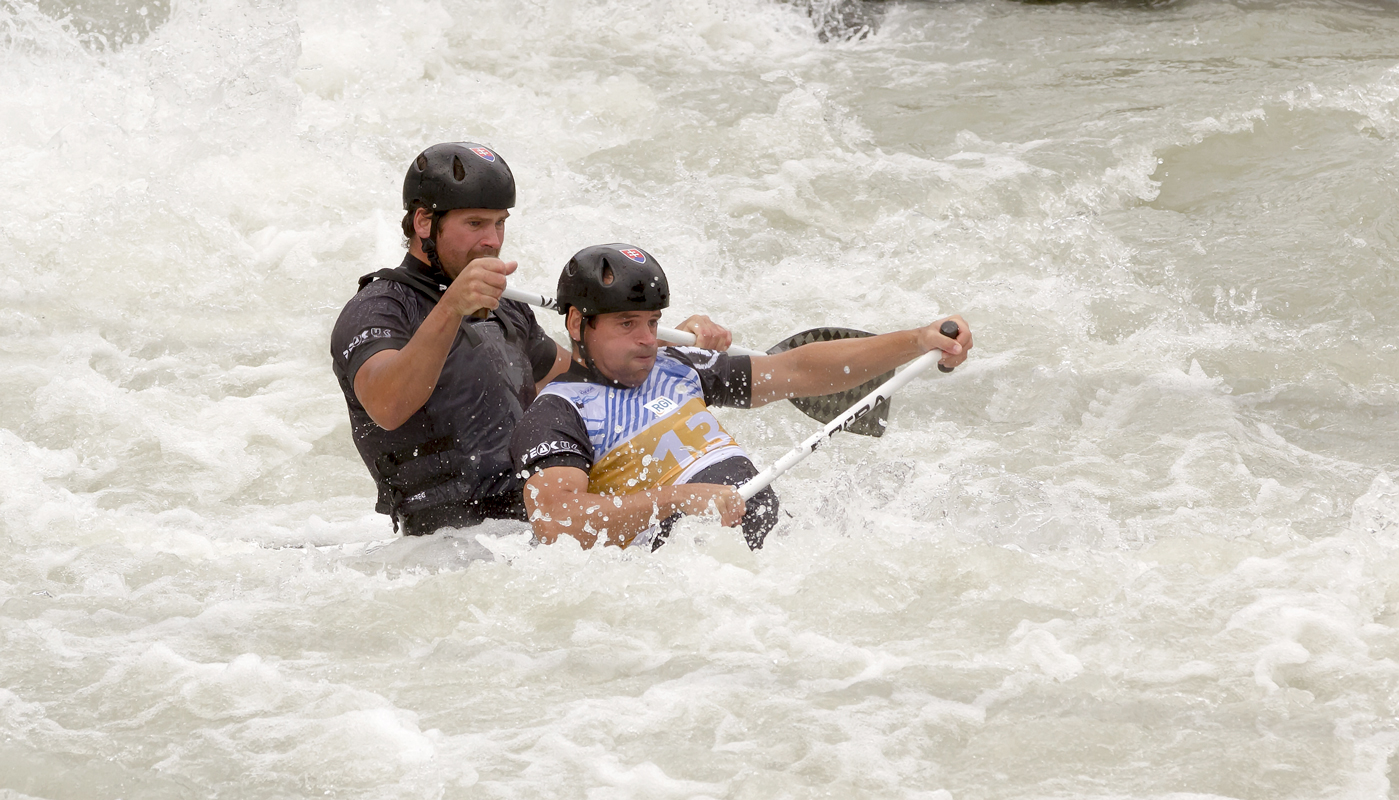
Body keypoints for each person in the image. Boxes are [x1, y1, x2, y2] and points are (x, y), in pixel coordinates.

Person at [330, 144, 730, 535]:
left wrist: (662, 341)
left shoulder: (506, 308)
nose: (492, 240)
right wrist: (451, 308)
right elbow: (386, 404)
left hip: (536, 524)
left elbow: (586, 381)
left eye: (499, 223)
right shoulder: (378, 308)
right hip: (452, 541)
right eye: (475, 224)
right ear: (423, 222)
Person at [509, 243, 972, 551]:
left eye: (652, 322)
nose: (648, 339)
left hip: (776, 562)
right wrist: (678, 499)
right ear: (575, 324)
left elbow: (797, 370)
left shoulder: (678, 366)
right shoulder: (556, 413)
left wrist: (916, 340)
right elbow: (555, 522)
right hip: (698, 582)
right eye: (626, 324)